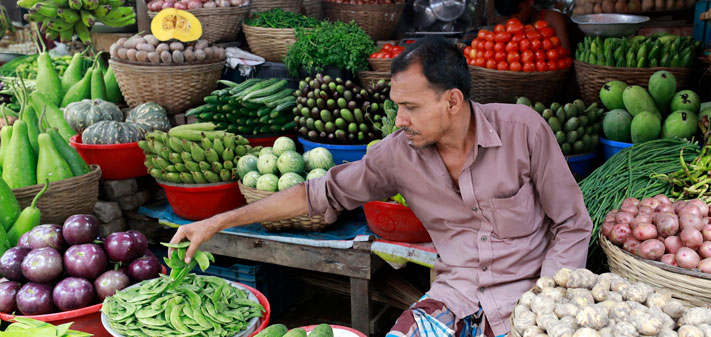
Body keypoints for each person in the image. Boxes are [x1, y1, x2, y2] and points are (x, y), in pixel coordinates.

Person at [168, 36, 592, 337]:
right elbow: (320, 193)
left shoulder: (523, 131)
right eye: (396, 106)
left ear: (453, 101)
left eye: (410, 107)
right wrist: (220, 221)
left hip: (532, 298)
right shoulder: (397, 153)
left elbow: (572, 224)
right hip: (454, 296)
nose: (400, 119)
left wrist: (546, 302)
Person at [489, 0, 571, 50]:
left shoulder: (554, 19)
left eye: (518, 11)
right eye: (509, 15)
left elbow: (566, 55)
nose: (513, 18)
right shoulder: (504, 27)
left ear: (529, 1)